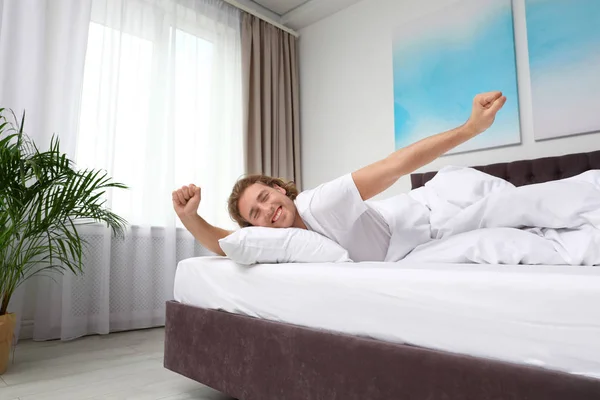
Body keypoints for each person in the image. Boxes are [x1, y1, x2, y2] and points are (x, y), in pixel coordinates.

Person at [172, 91, 507, 261]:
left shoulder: (320, 203)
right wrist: (190, 217)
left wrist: (470, 128)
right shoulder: (277, 240)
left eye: (264, 198)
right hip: (396, 232)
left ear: (279, 189)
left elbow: (395, 166)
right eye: (255, 215)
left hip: (425, 214)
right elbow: (227, 243)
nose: (267, 211)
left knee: (493, 202)